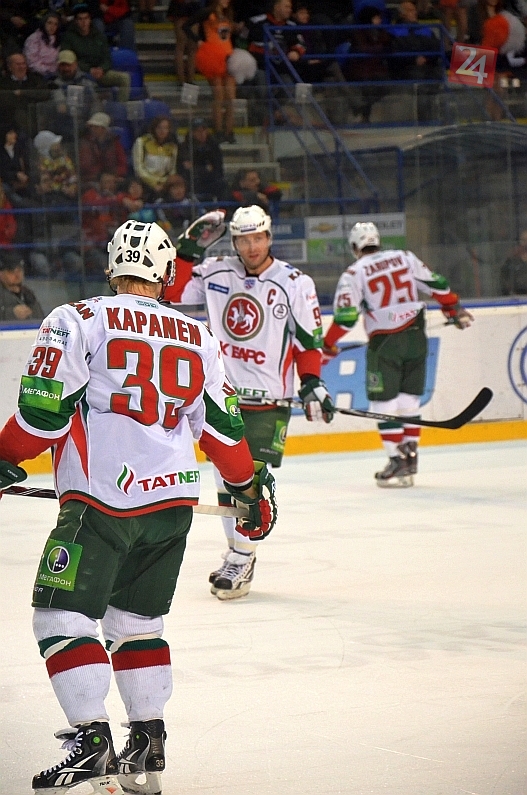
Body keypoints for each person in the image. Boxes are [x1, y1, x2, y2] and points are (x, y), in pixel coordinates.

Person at [0, 218, 277, 795]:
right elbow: (224, 435)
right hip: (172, 507)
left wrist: (2, 458)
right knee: (137, 625)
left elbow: (41, 417)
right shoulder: (198, 335)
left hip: (101, 502)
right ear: (166, 273)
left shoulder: (76, 319)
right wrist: (249, 491)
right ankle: (147, 745)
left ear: (111, 268)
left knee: (60, 616)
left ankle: (91, 739)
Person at [163, 205, 334, 599]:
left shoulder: (295, 282)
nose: (252, 246)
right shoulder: (216, 271)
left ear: (269, 237)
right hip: (221, 395)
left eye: (258, 237)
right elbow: (171, 292)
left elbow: (308, 341)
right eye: (243, 239)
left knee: (246, 479)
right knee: (225, 479)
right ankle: (239, 553)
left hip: (268, 400)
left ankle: (241, 556)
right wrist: (186, 252)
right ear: (234, 242)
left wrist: (311, 382)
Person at [322, 221, 474, 487]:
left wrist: (328, 345)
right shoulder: (404, 257)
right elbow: (437, 284)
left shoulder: (354, 272)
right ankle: (411, 456)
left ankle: (396, 459)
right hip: (416, 335)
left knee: (383, 403)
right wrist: (453, 309)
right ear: (378, 241)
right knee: (409, 400)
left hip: (385, 342)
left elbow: (346, 318)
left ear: (355, 247)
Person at [183, 0, 240, 143]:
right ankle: (218, 131)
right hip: (213, 58)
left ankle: (229, 131)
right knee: (218, 97)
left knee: (231, 98)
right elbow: (186, 26)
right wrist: (199, 40)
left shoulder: (229, 14)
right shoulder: (208, 13)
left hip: (228, 56)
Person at [60, 2, 131, 103]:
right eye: (80, 19)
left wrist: (102, 69)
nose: (84, 22)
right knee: (86, 82)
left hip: (100, 72)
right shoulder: (69, 37)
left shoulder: (99, 35)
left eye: (86, 18)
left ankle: (121, 108)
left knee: (124, 78)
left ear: (90, 19)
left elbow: (107, 57)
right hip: (80, 73)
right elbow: (68, 60)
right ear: (75, 21)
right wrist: (89, 69)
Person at [49, 49, 102, 141]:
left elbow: (95, 102)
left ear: (75, 64)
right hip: (64, 125)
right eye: (63, 65)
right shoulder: (53, 83)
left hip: (87, 122)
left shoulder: (86, 80)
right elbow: (60, 106)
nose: (66, 69)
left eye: (69, 65)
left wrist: (93, 120)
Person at [0, 52, 52, 136]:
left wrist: (23, 93)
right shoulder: (3, 83)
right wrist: (28, 97)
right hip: (10, 122)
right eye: (18, 64)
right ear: (10, 67)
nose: (22, 67)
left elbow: (44, 94)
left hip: (35, 118)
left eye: (23, 63)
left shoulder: (36, 80)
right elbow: (5, 100)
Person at [176, 117, 226, 201]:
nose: (202, 133)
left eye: (204, 130)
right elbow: (185, 169)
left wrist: (196, 167)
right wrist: (205, 168)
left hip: (211, 180)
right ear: (192, 133)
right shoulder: (185, 147)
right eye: (198, 131)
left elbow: (218, 168)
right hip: (192, 182)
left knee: (222, 184)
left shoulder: (213, 146)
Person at [132, 115, 178, 198]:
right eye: (159, 127)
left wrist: (165, 182)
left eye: (165, 128)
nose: (162, 131)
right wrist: (154, 183)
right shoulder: (142, 142)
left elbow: (172, 170)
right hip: (145, 182)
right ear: (154, 128)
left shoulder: (172, 146)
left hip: (165, 183)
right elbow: (138, 169)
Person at [79, 111, 128, 186]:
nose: (93, 129)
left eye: (96, 127)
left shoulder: (115, 142)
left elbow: (122, 163)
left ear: (104, 128)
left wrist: (114, 175)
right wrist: (102, 176)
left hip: (113, 178)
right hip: (92, 180)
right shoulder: (86, 143)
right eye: (91, 127)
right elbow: (86, 165)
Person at [33, 129, 78, 203]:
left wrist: (72, 187)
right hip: (50, 199)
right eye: (55, 145)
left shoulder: (65, 159)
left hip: (67, 197)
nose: (59, 146)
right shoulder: (41, 164)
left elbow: (72, 175)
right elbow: (45, 184)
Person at [0, 249, 45, 322]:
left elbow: (40, 317)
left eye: (19, 270)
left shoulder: (28, 294)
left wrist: (31, 311)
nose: (17, 275)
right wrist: (12, 313)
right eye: (11, 272)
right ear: (1, 274)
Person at [166, 0, 200, 84]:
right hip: (180, 5)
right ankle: (182, 79)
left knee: (191, 46)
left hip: (192, 5)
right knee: (181, 45)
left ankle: (190, 79)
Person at [23, 11, 61, 79]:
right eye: (49, 23)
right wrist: (47, 71)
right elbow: (31, 62)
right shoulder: (34, 38)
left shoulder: (57, 39)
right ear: (44, 23)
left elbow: (57, 60)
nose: (52, 26)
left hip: (55, 73)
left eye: (55, 24)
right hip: (37, 74)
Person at [500, 229, 527, 294]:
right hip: (517, 295)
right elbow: (504, 277)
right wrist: (511, 292)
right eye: (523, 240)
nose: (525, 243)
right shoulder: (513, 257)